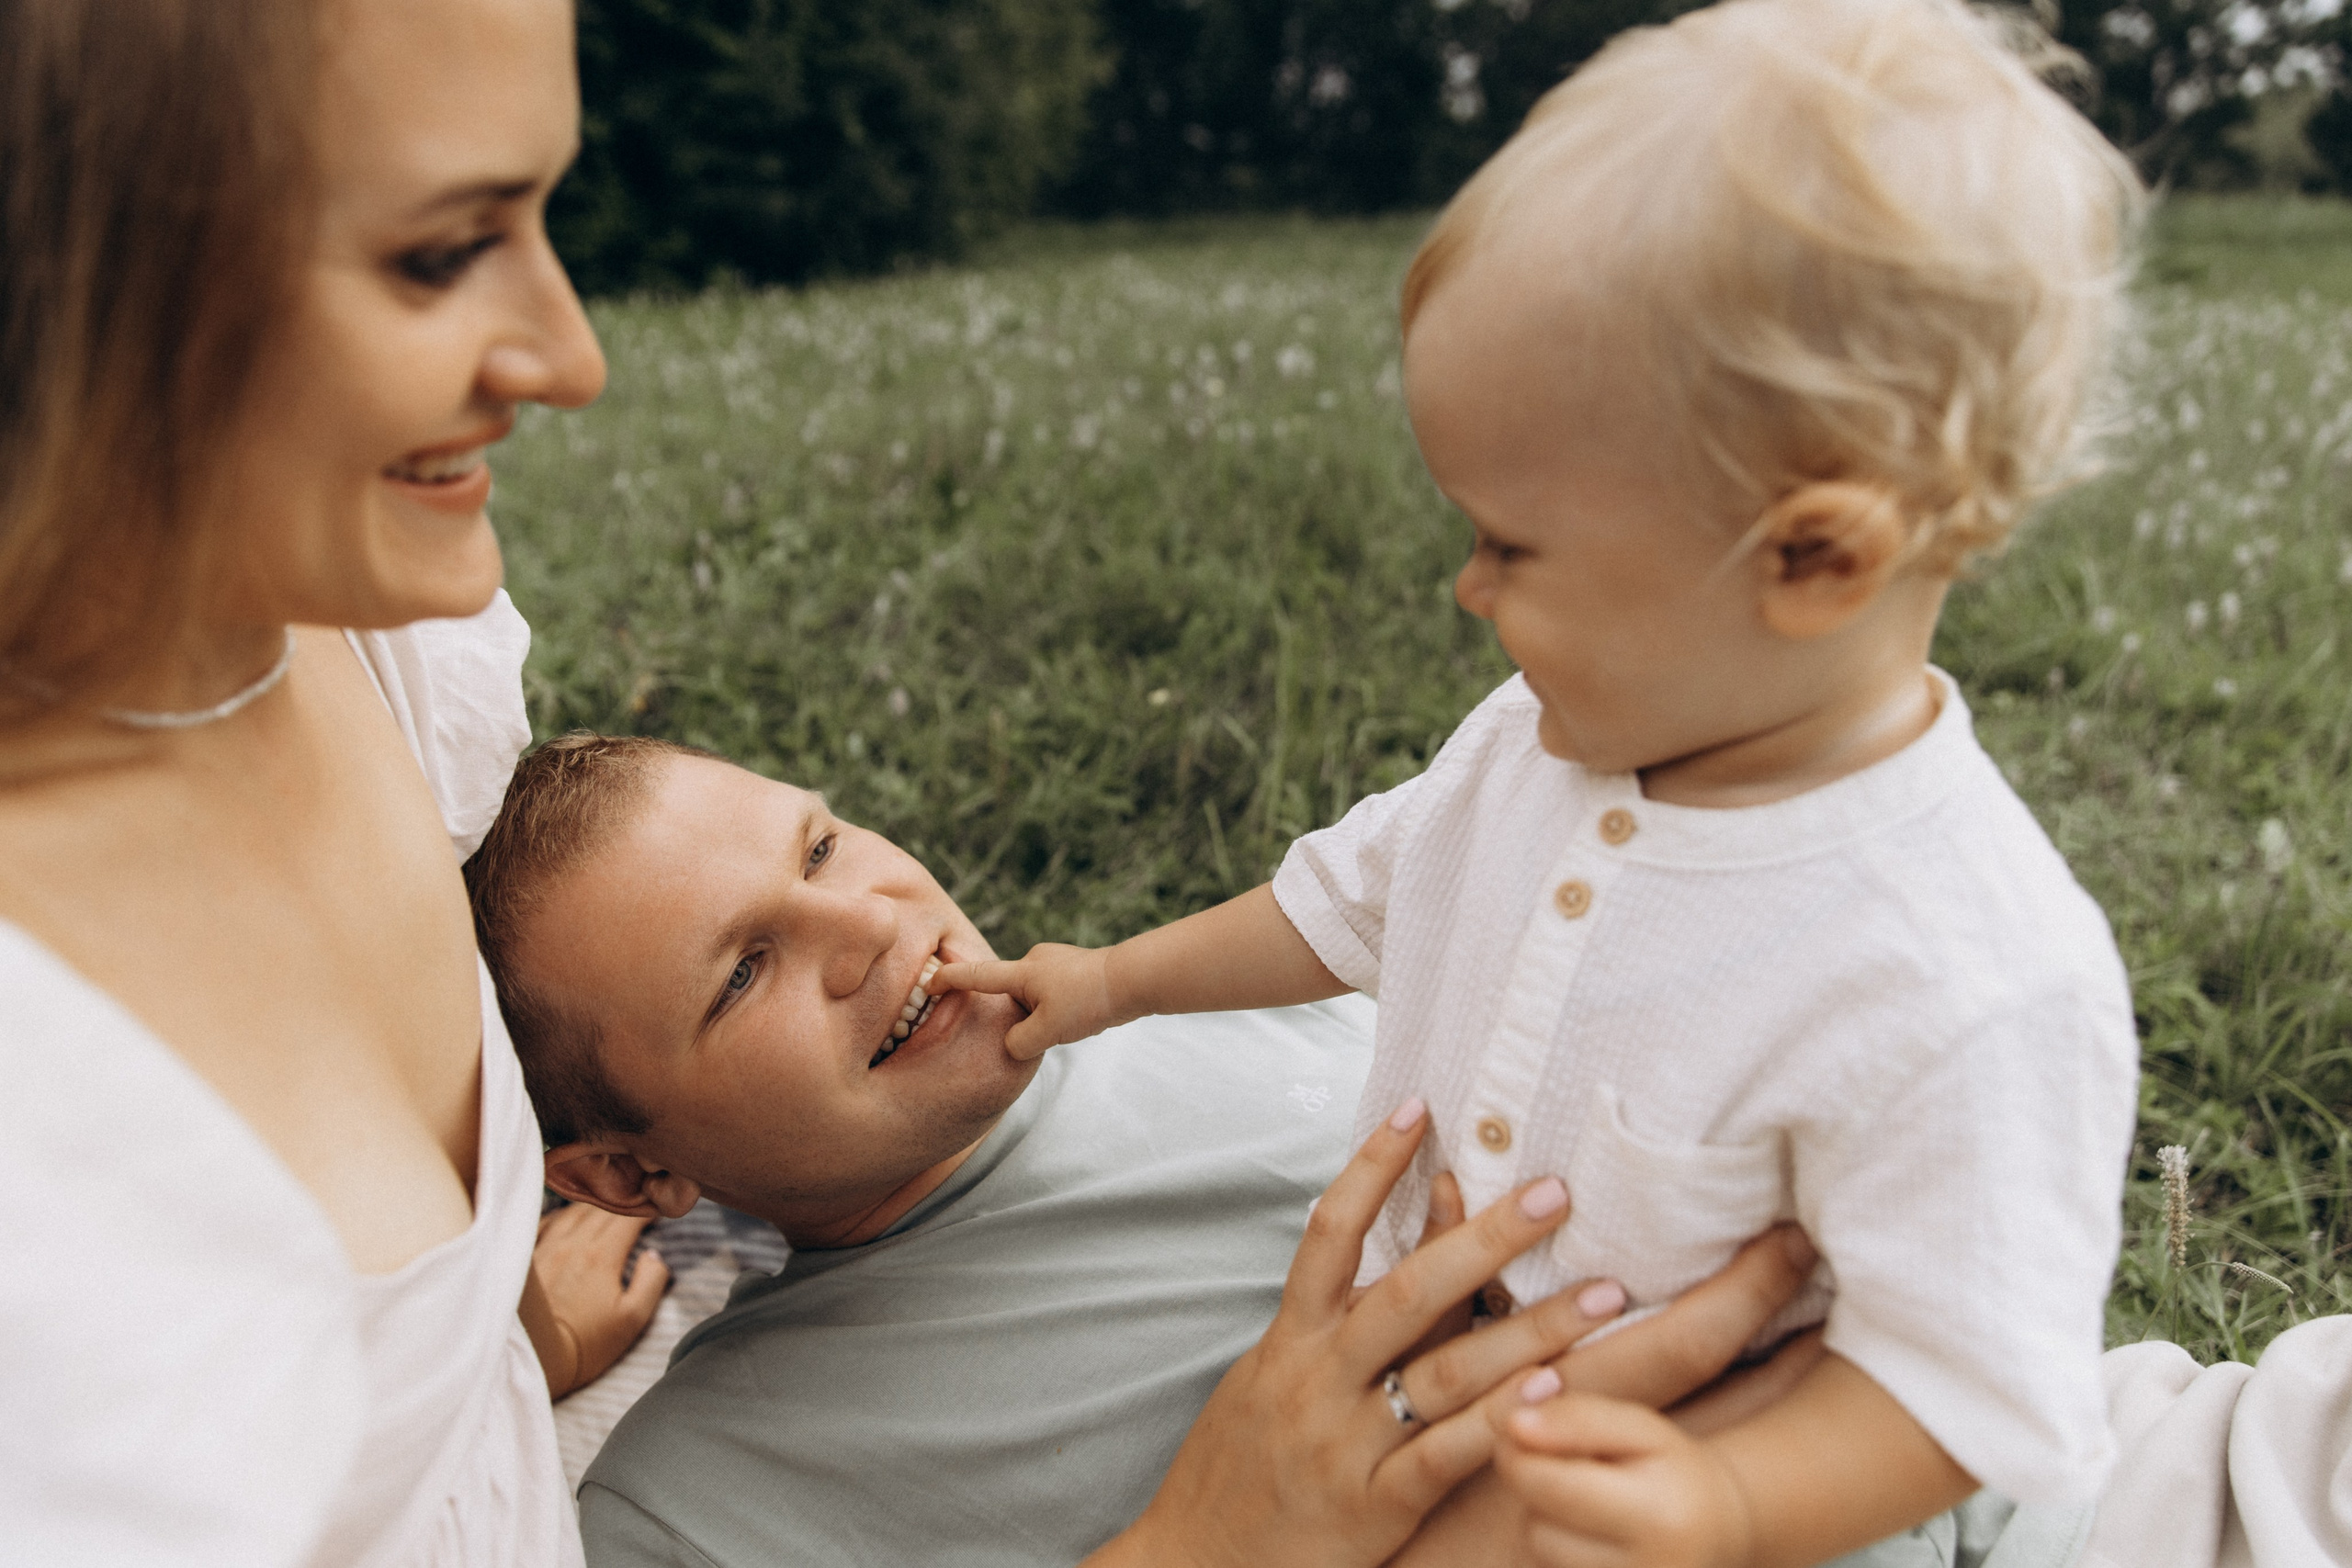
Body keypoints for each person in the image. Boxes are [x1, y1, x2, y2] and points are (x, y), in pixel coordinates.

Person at [934, 1, 2148, 1563]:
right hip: (1434, 1401)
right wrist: (1112, 981)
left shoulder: (1966, 970)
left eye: (1511, 543)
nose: (1467, 586)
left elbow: (1954, 1388)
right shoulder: (1533, 739)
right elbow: (1354, 896)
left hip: (1732, 1508)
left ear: (1813, 556)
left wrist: (1724, 1503)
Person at [460, 734, 1832, 1568]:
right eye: (746, 971)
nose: (870, 923)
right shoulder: (700, 1512)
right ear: (633, 1181)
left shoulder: (1270, 1010)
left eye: (819, 846)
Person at [0, 1, 664, 1562]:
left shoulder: (339, 630)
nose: (572, 359)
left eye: (544, 212)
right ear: (68, 269)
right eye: (444, 253)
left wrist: (484, 1375)